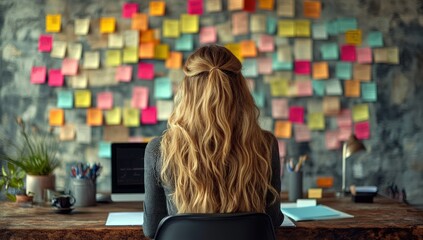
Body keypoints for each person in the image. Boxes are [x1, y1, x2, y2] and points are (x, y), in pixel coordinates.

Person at [143, 45, 284, 239]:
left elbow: (152, 229)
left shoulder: (160, 149)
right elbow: (272, 220)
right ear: (241, 90)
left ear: (187, 92)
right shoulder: (265, 145)